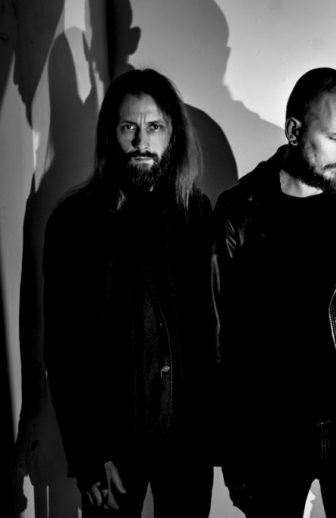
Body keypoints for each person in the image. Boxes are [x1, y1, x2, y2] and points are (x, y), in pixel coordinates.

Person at [213, 67, 336, 517]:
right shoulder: (240, 212)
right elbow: (219, 340)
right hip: (271, 434)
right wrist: (235, 453)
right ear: (294, 131)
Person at [43, 68, 216, 517]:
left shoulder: (196, 214)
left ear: (173, 134)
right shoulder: (75, 221)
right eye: (128, 127)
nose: (141, 141)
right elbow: (63, 348)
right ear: (111, 134)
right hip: (113, 445)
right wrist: (88, 453)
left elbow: (210, 332)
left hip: (186, 441)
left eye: (154, 126)